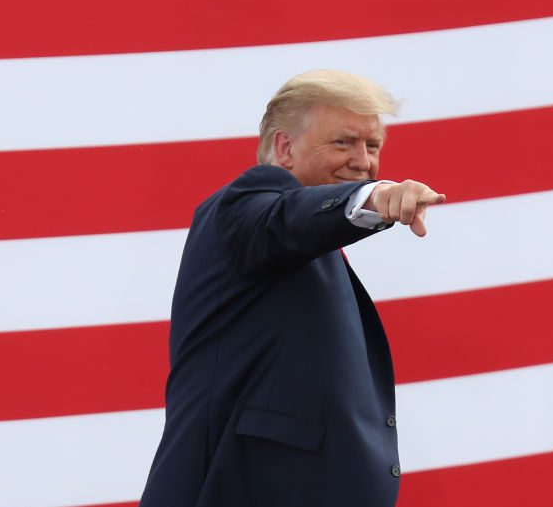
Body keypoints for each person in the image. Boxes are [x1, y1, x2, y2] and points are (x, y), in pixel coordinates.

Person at [139, 70, 445, 507]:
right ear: (284, 148)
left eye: (372, 145)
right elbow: (286, 218)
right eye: (343, 142)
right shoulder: (245, 205)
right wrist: (371, 199)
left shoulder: (309, 245)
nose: (363, 161)